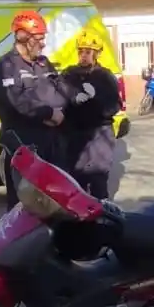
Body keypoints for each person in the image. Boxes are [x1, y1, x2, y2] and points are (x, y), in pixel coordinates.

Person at [0, 10, 70, 209]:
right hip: (23, 147)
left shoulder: (44, 63)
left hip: (51, 145)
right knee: (22, 207)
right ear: (22, 37)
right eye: (39, 38)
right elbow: (15, 102)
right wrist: (49, 114)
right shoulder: (6, 65)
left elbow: (61, 92)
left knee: (55, 203)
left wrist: (60, 111)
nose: (43, 43)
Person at [62, 32, 121, 199]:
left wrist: (96, 99)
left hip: (99, 133)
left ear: (96, 54)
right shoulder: (69, 75)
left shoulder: (105, 76)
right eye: (81, 52)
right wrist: (72, 99)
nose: (83, 56)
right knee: (75, 179)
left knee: (98, 179)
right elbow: (59, 98)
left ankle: (102, 215)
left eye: (88, 52)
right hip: (75, 133)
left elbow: (114, 105)